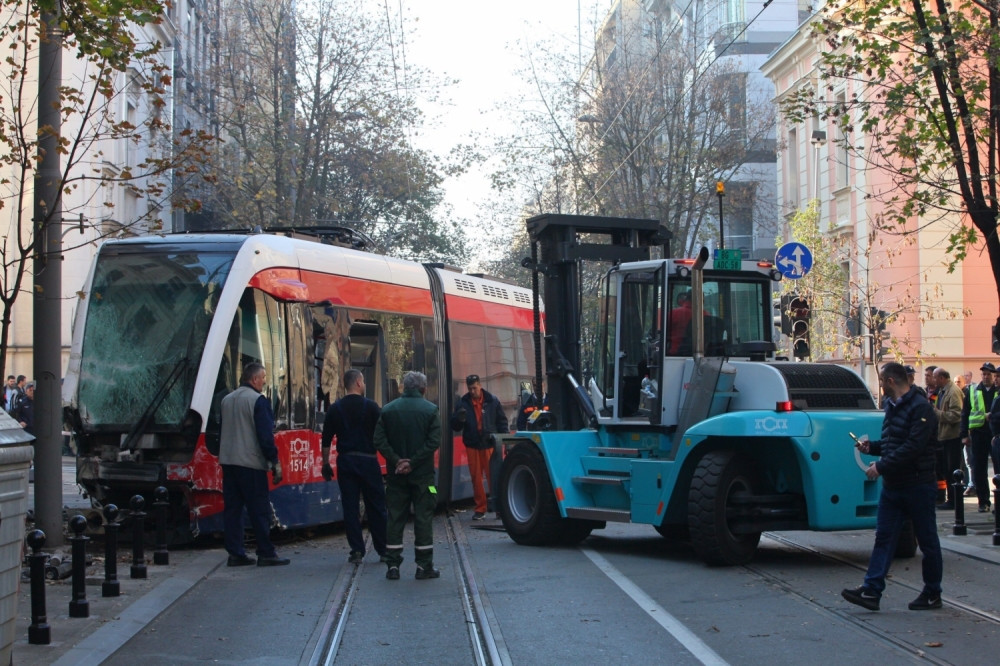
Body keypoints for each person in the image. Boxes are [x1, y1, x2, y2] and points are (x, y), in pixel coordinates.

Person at [841, 362, 942, 612]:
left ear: (890, 382)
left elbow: (913, 447)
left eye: (882, 382)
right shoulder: (891, 406)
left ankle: (932, 593)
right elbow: (892, 441)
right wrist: (872, 447)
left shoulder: (921, 408)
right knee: (884, 538)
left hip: (918, 484)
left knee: (927, 541)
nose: (881, 388)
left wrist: (882, 466)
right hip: (895, 485)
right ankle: (871, 591)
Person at [219, 362, 289, 567]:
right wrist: (274, 460)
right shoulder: (258, 401)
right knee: (258, 509)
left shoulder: (226, 400)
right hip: (250, 463)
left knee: (233, 510)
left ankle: (235, 553)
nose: (265, 381)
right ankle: (265, 552)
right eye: (264, 378)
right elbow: (265, 436)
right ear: (255, 379)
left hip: (228, 461)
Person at [374, 371, 441, 580]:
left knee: (394, 518)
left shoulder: (388, 410)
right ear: (423, 389)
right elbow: (433, 442)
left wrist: (396, 461)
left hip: (396, 477)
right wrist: (413, 462)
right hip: (424, 479)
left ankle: (392, 565)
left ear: (404, 387)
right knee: (424, 518)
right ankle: (424, 566)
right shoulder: (431, 411)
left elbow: (379, 440)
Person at [320, 369, 387, 564]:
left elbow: (326, 439)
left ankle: (357, 550)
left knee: (350, 507)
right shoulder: (372, 407)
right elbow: (383, 432)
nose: (364, 384)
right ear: (358, 383)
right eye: (364, 381)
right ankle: (383, 549)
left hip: (346, 461)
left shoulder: (335, 409)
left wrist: (325, 463)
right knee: (376, 505)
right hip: (368, 460)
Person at [451, 374, 508, 520]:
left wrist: (505, 441)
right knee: (476, 478)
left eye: (474, 388)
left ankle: (499, 507)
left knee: (493, 477)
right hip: (473, 445)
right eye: (470, 388)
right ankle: (480, 508)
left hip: (489, 444)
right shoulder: (463, 403)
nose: (472, 391)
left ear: (480, 386)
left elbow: (502, 422)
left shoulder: (492, 401)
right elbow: (455, 425)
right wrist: (459, 418)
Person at [961, 363, 995, 512]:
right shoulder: (973, 390)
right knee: (979, 469)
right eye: (984, 374)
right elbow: (965, 413)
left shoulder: (998, 390)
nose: (986, 377)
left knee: (997, 469)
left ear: (993, 376)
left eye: (989, 374)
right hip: (978, 433)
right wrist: (963, 435)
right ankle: (983, 502)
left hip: (995, 434)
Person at [932, 367, 964, 509]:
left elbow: (956, 415)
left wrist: (938, 414)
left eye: (935, 377)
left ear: (941, 378)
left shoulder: (953, 391)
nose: (933, 380)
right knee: (946, 469)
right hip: (944, 436)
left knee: (953, 470)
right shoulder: (942, 391)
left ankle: (954, 501)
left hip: (953, 437)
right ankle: (951, 499)